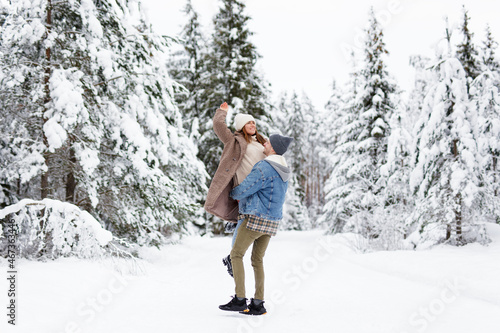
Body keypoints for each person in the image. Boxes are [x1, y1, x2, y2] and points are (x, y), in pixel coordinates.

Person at [219, 134, 293, 316]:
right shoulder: (284, 169)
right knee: (257, 260)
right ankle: (258, 303)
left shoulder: (264, 166)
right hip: (272, 222)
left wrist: (231, 193)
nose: (264, 144)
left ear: (273, 148)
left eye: (267, 142)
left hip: (256, 218)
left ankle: (240, 299)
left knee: (236, 254)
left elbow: (246, 188)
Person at [203, 102, 267, 276]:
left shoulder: (263, 142)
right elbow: (218, 126)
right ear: (241, 127)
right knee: (244, 222)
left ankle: (233, 250)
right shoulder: (234, 141)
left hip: (260, 191)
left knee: (252, 225)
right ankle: (233, 258)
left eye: (253, 122)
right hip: (244, 190)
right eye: (248, 123)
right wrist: (222, 112)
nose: (252, 125)